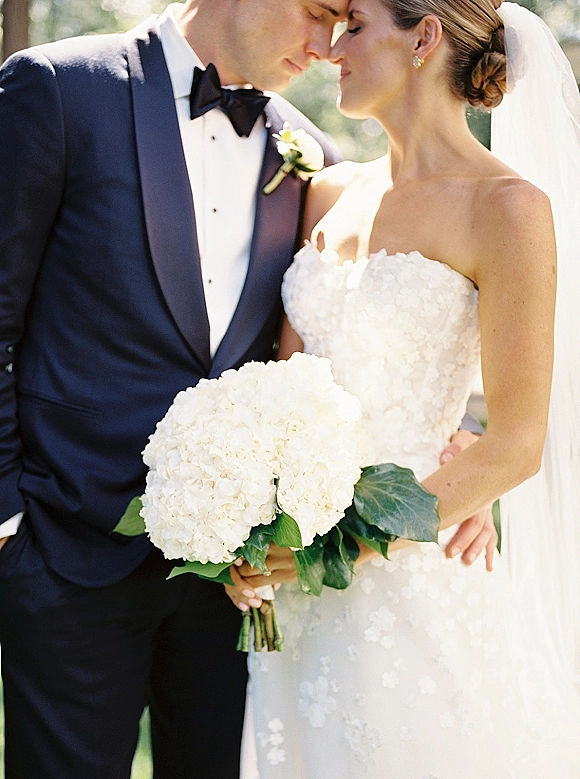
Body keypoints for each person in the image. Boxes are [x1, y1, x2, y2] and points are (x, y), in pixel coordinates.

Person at [0, 0, 495, 776]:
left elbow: (339, 345)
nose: (328, 44)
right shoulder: (59, 90)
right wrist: (8, 521)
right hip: (67, 558)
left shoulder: (310, 154)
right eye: (319, 12)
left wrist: (454, 448)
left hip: (244, 587)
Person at [230, 0, 580, 776]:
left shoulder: (508, 209)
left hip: (418, 580)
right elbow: (275, 395)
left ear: (423, 37)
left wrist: (342, 547)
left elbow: (518, 443)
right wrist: (242, 522)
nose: (329, 48)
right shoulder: (324, 193)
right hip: (295, 599)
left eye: (353, 26)